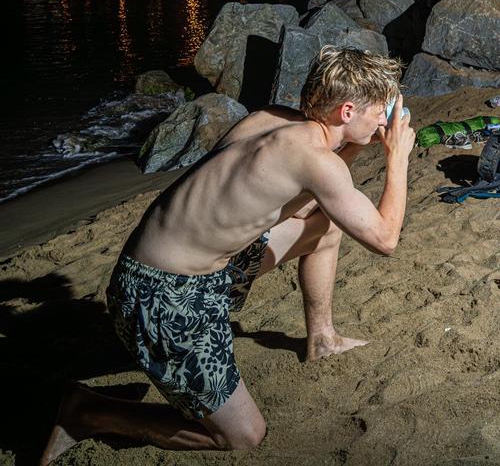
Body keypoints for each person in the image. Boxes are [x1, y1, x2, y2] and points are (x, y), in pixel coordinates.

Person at [41, 47, 416, 462]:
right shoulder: (317, 163)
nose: (386, 120)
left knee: (323, 227)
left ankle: (322, 338)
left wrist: (358, 143)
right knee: (243, 436)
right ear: (347, 110)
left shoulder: (269, 120)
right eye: (380, 110)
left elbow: (299, 195)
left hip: (166, 266)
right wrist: (397, 158)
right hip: (164, 296)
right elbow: (385, 240)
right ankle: (88, 411)